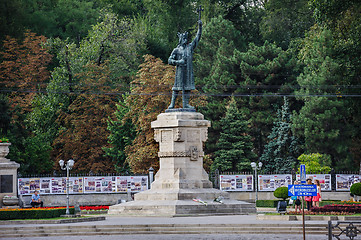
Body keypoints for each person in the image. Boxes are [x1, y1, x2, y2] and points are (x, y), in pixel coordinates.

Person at [167, 17, 202, 110]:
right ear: (180, 39)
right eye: (183, 39)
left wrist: (200, 27)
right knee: (176, 87)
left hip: (188, 71)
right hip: (179, 72)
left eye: (186, 39)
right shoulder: (176, 50)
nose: (185, 40)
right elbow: (169, 60)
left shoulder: (190, 48)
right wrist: (178, 62)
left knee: (187, 87)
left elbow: (197, 38)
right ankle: (172, 104)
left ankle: (186, 104)